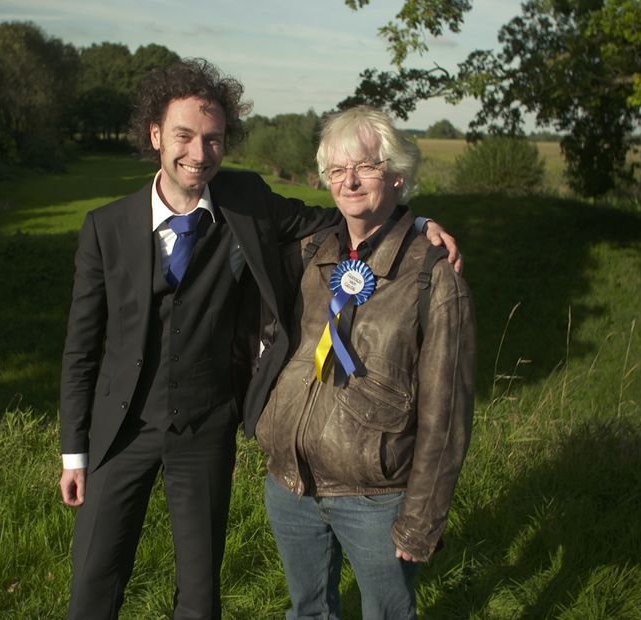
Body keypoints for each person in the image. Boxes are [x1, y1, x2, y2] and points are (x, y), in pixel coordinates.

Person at [56, 59, 459, 620]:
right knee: (96, 577)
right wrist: (74, 451)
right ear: (155, 136)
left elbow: (338, 218)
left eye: (214, 138)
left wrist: (415, 225)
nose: (199, 153)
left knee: (199, 591)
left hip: (204, 428)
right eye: (184, 136)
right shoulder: (106, 226)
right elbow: (81, 348)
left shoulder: (245, 200)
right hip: (119, 429)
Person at [254, 105, 476, 619]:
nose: (349, 180)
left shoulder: (434, 277)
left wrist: (421, 519)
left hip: (376, 498)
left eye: (366, 167)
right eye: (337, 170)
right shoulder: (313, 252)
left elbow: (447, 417)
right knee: (307, 611)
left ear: (397, 174)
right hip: (291, 483)